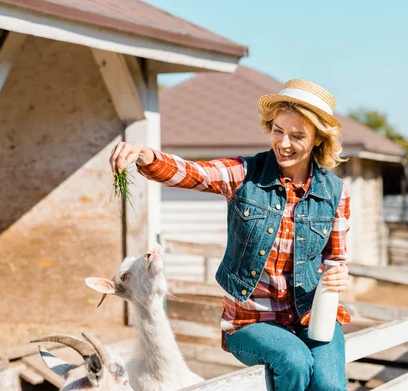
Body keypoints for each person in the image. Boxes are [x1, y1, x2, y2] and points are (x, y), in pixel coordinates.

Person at [109, 79, 352, 390]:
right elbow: (194, 174)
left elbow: (337, 260)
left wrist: (339, 275)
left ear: (319, 138)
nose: (284, 143)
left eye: (297, 135)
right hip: (251, 321)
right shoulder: (245, 174)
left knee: (330, 385)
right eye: (278, 131)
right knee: (294, 361)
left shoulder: (335, 191)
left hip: (311, 316)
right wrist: (144, 154)